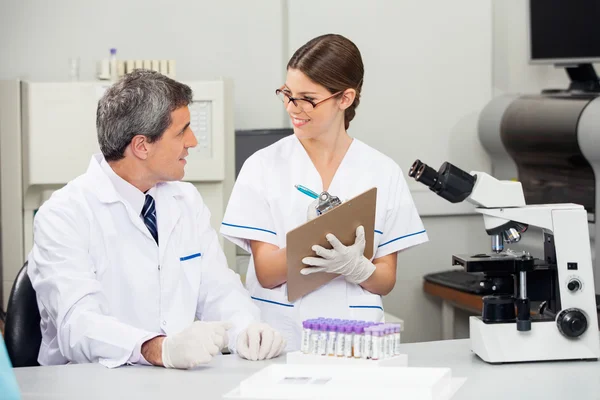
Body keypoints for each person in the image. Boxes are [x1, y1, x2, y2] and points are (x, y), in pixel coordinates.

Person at [27, 70, 285, 369]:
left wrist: (247, 329)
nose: (193, 141)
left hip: (175, 379)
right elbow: (78, 324)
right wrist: (156, 348)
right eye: (182, 132)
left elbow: (218, 288)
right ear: (141, 146)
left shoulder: (185, 201)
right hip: (94, 382)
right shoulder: (63, 215)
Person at [220, 34, 429, 351]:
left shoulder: (382, 172)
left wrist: (356, 266)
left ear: (344, 99)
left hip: (355, 341)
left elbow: (385, 279)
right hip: (280, 341)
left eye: (307, 98)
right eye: (287, 94)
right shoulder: (261, 167)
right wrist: (312, 239)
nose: (293, 108)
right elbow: (266, 273)